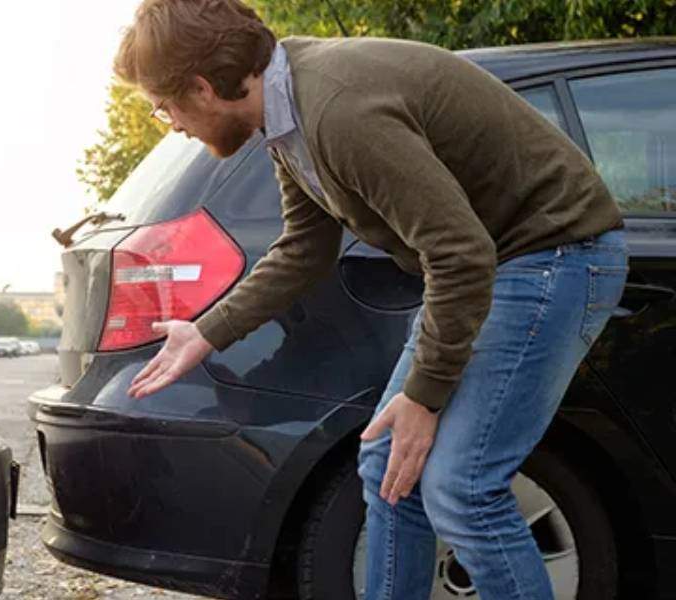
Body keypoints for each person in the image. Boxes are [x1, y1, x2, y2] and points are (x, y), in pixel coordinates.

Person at [116, 1, 626, 598]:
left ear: (202, 88)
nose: (171, 121)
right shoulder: (288, 114)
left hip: (552, 256)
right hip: (499, 264)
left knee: (461, 490)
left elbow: (460, 253)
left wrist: (425, 397)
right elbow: (306, 248)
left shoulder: (339, 112)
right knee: (388, 468)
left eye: (164, 105)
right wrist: (204, 331)